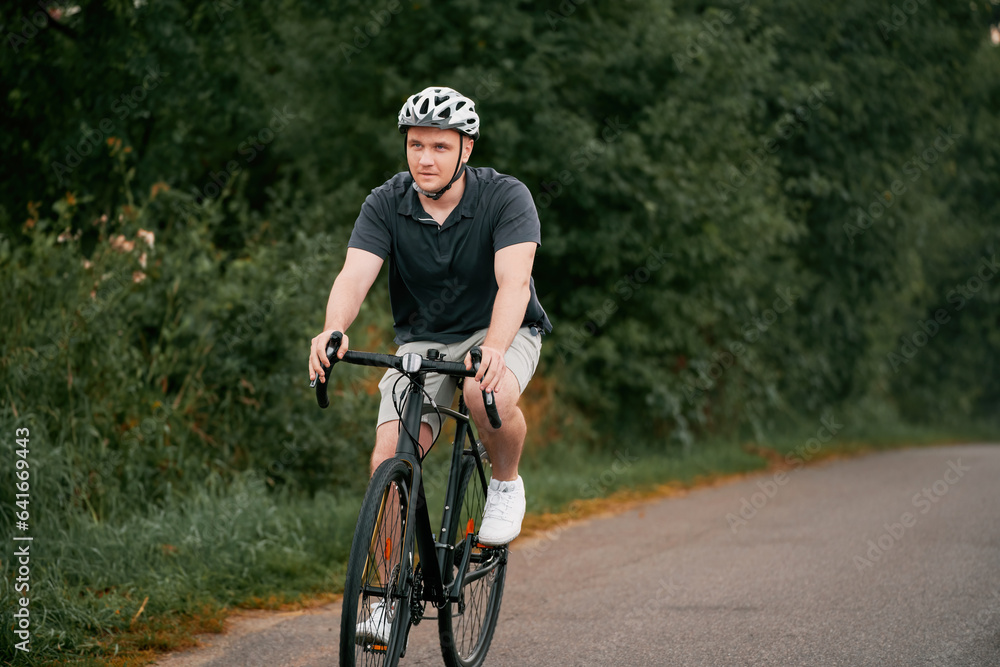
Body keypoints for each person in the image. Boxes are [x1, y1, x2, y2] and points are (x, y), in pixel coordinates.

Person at [307, 86, 552, 548]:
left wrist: (494, 349)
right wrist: (333, 328)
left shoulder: (505, 197)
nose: (425, 159)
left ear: (467, 148)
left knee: (484, 393)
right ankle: (383, 598)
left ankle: (505, 484)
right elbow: (354, 276)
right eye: (416, 144)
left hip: (501, 327)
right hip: (426, 337)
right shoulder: (385, 202)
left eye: (440, 146)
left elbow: (514, 283)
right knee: (389, 459)